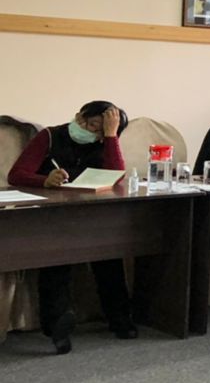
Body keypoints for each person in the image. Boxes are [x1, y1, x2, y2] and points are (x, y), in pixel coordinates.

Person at [7, 100, 135, 354]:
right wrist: (45, 180)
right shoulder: (50, 136)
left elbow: (116, 176)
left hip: (92, 215)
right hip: (53, 215)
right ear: (78, 116)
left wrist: (110, 137)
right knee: (58, 257)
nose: (89, 130)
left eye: (99, 129)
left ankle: (120, 318)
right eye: (89, 123)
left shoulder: (105, 143)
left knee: (108, 254)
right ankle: (57, 328)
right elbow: (17, 174)